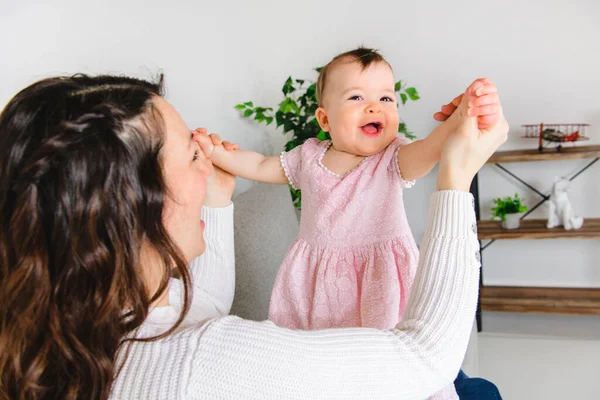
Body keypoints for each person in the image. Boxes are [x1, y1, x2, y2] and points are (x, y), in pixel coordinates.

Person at [0, 73, 507, 400]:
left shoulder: (91, 321)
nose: (209, 158)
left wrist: (218, 199)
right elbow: (424, 356)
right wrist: (457, 177)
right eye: (191, 155)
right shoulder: (212, 363)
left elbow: (202, 309)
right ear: (138, 201)